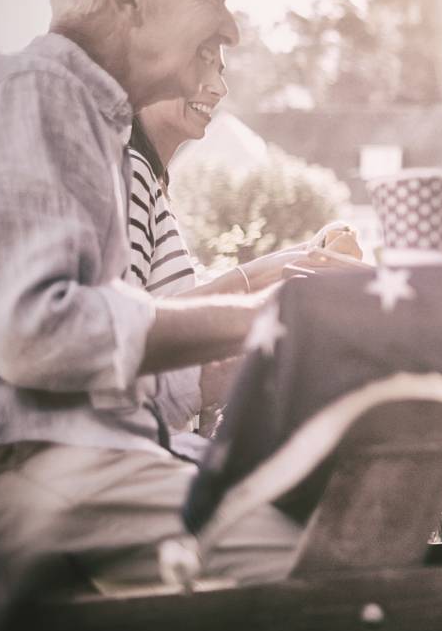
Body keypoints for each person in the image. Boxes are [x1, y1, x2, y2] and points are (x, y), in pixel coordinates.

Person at [0, 0, 303, 591]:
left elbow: (84, 349)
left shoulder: (82, 119)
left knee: (302, 512)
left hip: (24, 456)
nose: (229, 27)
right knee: (308, 566)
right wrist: (273, 315)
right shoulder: (31, 87)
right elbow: (37, 331)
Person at [124, 44, 360, 444]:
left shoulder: (149, 180)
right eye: (201, 65)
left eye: (221, 70)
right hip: (142, 449)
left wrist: (304, 257)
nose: (220, 87)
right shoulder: (129, 173)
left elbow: (178, 305)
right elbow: (128, 335)